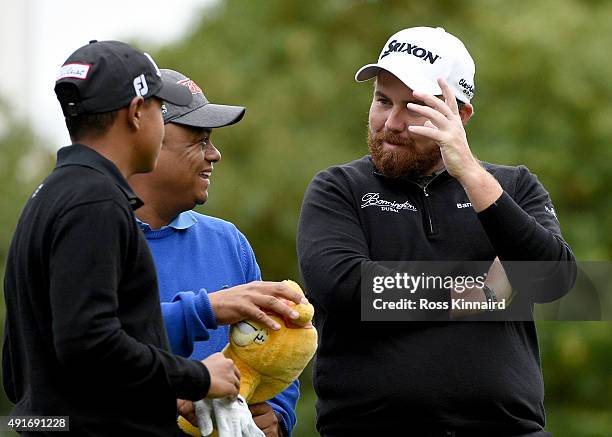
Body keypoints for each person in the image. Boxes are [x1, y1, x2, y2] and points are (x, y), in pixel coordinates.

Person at [297, 27, 576, 436]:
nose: (391, 122)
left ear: (459, 115)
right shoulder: (339, 187)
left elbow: (553, 281)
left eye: (414, 107)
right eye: (382, 100)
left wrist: (470, 175)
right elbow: (345, 287)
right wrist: (482, 293)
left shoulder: (514, 186)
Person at [2, 41, 240, 436]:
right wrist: (196, 376)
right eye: (159, 113)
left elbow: (16, 371)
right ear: (136, 113)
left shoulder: (48, 195)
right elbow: (89, 344)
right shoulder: (96, 201)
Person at [128, 69, 304, 437]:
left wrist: (276, 415)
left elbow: (275, 350)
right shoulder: (96, 242)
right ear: (149, 138)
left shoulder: (228, 241)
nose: (215, 154)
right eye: (199, 139)